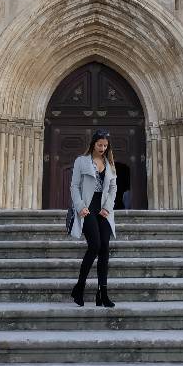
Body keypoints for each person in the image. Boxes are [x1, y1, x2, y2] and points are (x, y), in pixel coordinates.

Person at [69, 129, 117, 308]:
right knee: (95, 246)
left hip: (103, 210)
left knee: (104, 249)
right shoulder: (81, 161)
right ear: (93, 144)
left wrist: (107, 208)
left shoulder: (110, 163)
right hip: (87, 209)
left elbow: (113, 189)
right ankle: (79, 287)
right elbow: (74, 186)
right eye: (100, 145)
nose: (103, 148)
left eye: (105, 145)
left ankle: (102, 293)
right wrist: (80, 207)